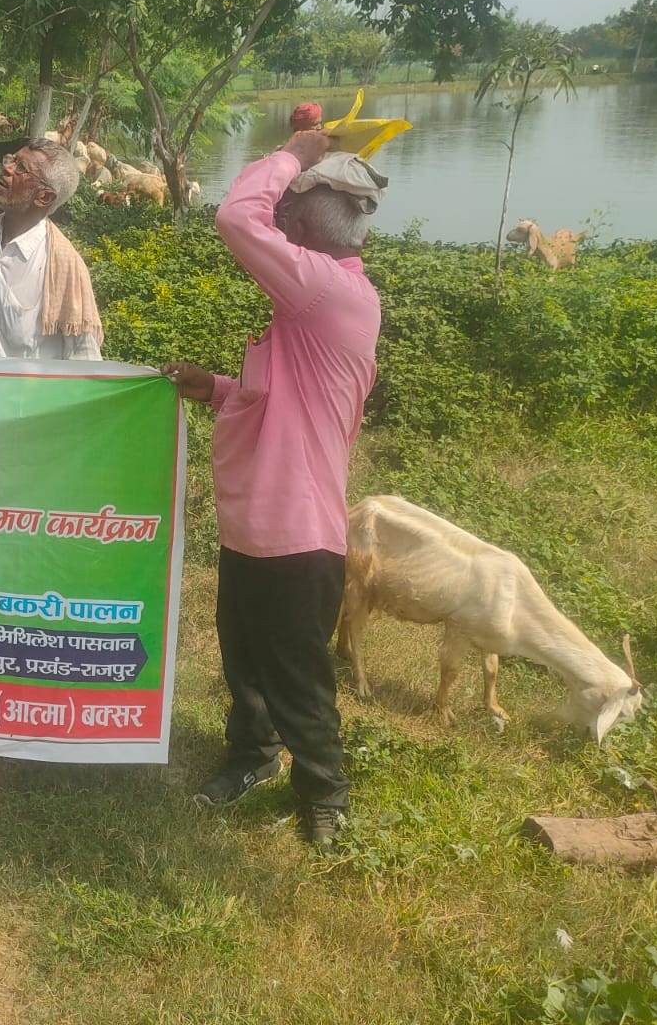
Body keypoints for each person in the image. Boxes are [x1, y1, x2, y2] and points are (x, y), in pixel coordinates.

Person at [162, 130, 383, 847]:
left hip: (298, 533)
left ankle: (324, 792)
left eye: (289, 206)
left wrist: (292, 151)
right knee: (247, 663)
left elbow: (235, 217)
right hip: (252, 526)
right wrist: (216, 388)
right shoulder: (310, 308)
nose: (279, 217)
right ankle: (252, 757)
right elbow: (277, 401)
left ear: (314, 219)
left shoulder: (328, 291)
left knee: (298, 676)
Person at [0, 138, 103, 360]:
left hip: (26, 385)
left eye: (21, 168)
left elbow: (84, 359)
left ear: (44, 197)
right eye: (12, 159)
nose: (7, 167)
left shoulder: (64, 266)